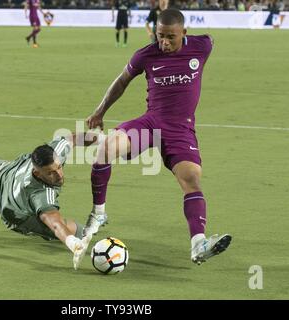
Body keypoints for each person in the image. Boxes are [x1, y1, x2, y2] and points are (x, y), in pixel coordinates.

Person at [84, 9, 232, 265]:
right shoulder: (146, 54)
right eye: (160, 36)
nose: (164, 42)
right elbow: (121, 81)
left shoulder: (201, 46)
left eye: (170, 37)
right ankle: (99, 213)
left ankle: (198, 244)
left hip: (180, 129)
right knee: (106, 147)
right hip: (151, 122)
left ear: (184, 33)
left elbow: (211, 40)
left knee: (192, 180)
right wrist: (99, 111)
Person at [0, 133, 99, 270]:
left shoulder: (52, 154)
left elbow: (73, 138)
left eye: (59, 167)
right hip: (15, 213)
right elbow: (55, 224)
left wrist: (103, 140)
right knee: (78, 231)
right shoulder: (40, 194)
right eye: (51, 173)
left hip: (11, 173)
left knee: (0, 167)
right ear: (37, 173)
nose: (59, 175)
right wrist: (73, 244)